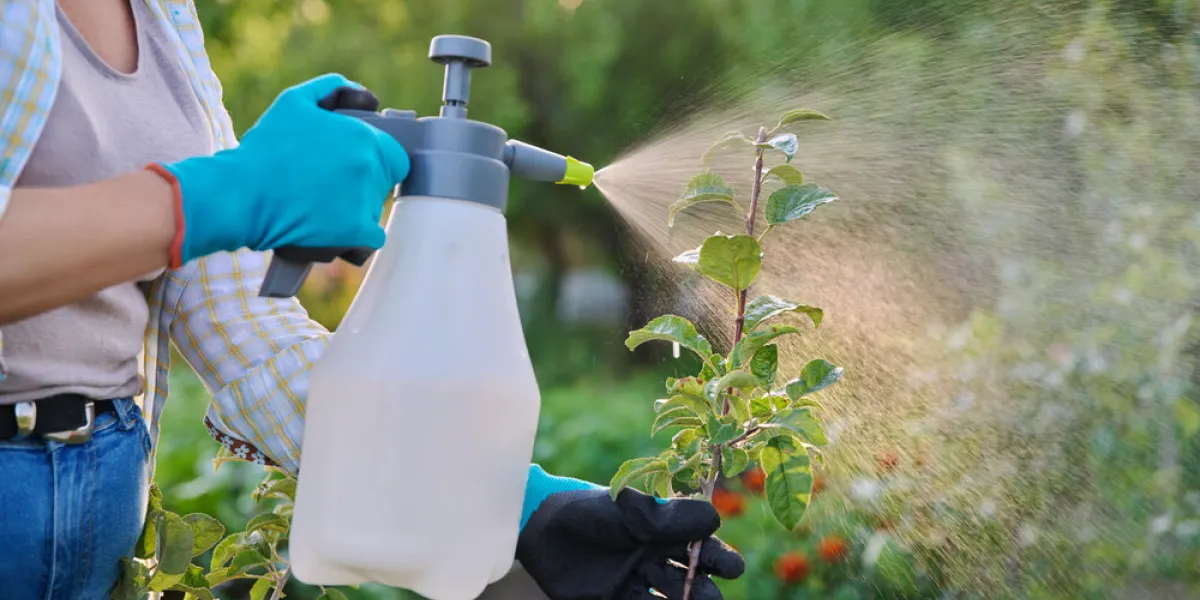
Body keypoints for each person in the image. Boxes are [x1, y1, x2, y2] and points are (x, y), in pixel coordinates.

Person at [0, 1, 744, 599]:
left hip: (97, 502)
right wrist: (223, 194)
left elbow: (236, 319)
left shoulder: (165, 15)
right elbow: (209, 207)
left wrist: (510, 502)